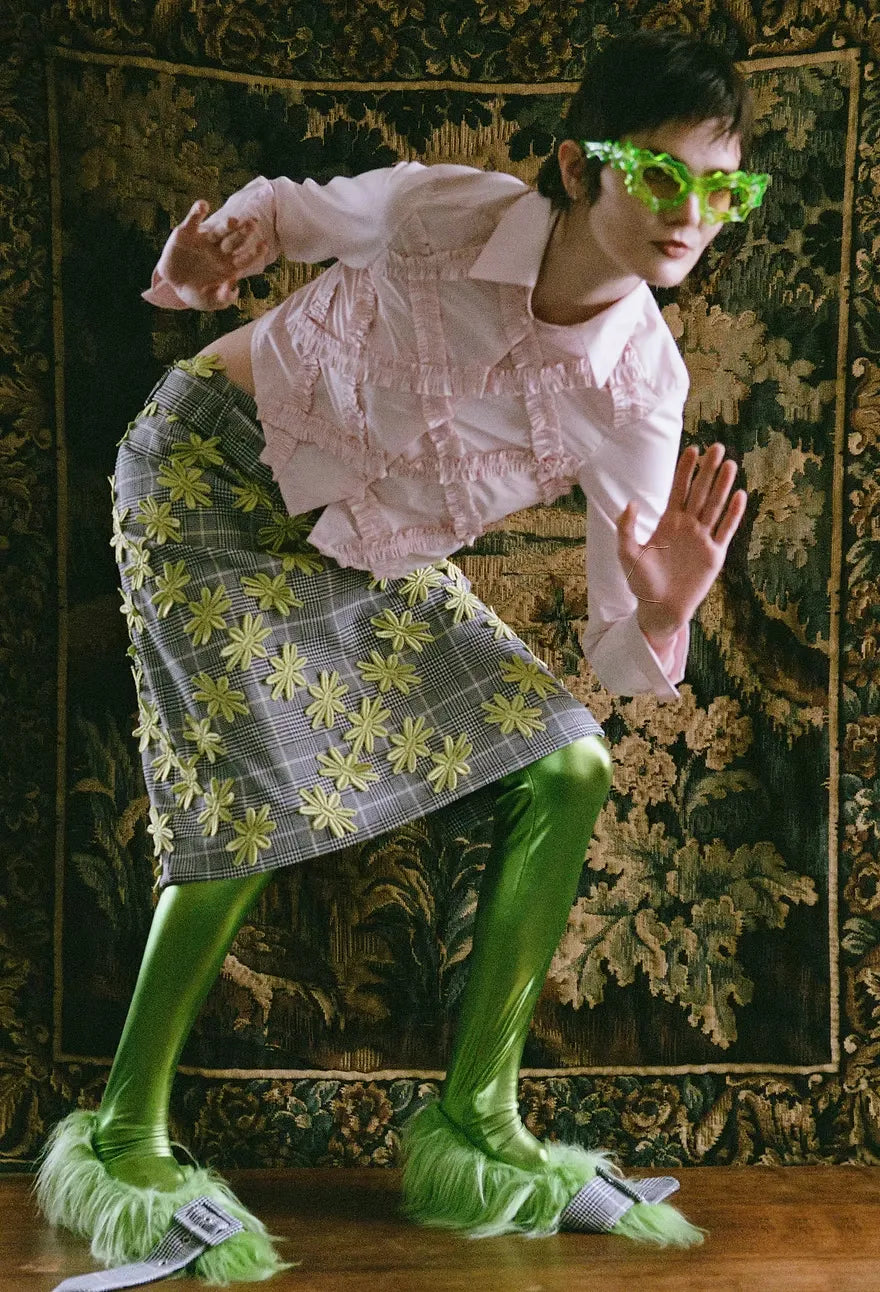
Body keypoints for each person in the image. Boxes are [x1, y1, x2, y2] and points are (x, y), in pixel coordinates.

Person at [37, 29, 767, 1284]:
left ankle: (478, 1120)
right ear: (576, 166)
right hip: (208, 476)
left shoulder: (641, 387)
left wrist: (663, 604)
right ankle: (126, 1136)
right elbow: (282, 217)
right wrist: (201, 262)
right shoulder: (446, 209)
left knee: (570, 762)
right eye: (658, 174)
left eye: (721, 187)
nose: (689, 213)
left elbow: (619, 645)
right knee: (253, 795)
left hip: (365, 555)